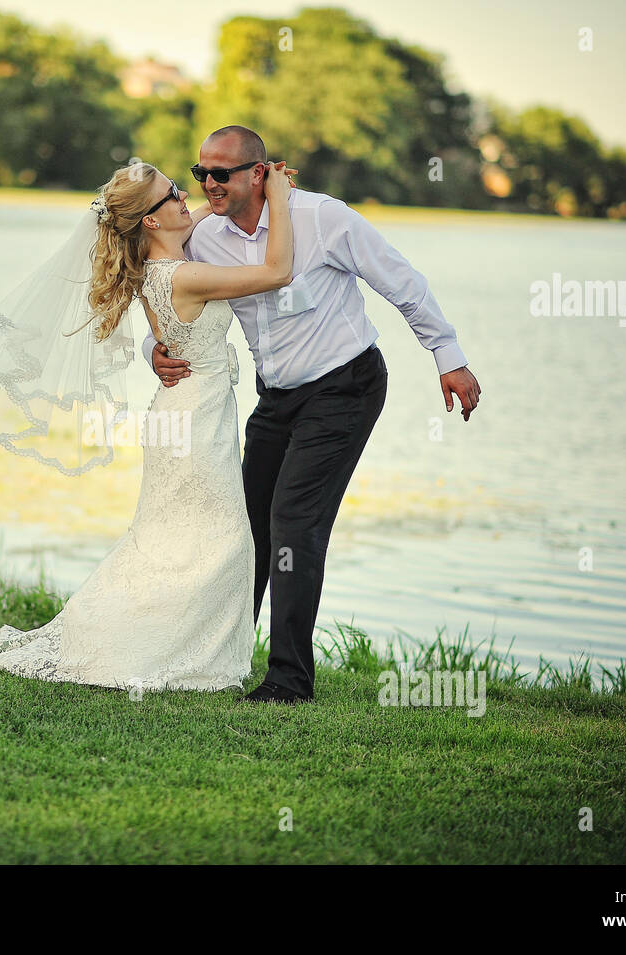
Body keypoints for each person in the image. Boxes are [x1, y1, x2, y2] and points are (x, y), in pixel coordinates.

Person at [141, 125, 481, 703]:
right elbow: (159, 287)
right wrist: (153, 349)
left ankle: (289, 680)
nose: (208, 184)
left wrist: (447, 357)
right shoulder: (204, 237)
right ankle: (216, 659)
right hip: (273, 396)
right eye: (200, 174)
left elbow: (404, 284)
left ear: (259, 172)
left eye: (221, 174)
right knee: (246, 524)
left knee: (295, 524)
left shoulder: (325, 219)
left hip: (343, 387)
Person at [0, 159, 297, 694]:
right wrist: (277, 194)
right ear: (149, 221)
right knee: (221, 539)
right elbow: (278, 270)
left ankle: (156, 643)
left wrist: (154, 350)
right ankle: (173, 655)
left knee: (170, 539)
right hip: (194, 420)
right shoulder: (185, 275)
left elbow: (172, 333)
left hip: (185, 411)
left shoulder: (157, 273)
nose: (186, 197)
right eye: (172, 196)